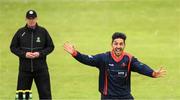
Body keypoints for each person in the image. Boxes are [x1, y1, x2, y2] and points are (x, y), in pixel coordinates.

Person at [63, 32, 166, 100]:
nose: (118, 46)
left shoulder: (129, 58)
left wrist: (152, 73)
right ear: (112, 44)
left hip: (125, 96)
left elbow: (141, 67)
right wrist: (75, 53)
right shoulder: (103, 58)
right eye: (116, 44)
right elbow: (87, 59)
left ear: (124, 45)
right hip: (108, 97)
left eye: (121, 44)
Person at [10, 10, 54, 99]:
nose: (31, 20)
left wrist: (40, 53)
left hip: (41, 70)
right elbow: (13, 47)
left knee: (45, 95)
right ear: (26, 19)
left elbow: (50, 46)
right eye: (29, 19)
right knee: (22, 96)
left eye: (33, 18)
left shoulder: (43, 32)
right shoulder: (20, 32)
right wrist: (24, 54)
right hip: (24, 71)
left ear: (36, 19)